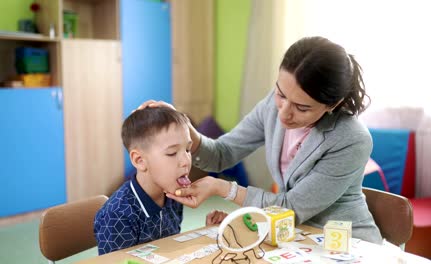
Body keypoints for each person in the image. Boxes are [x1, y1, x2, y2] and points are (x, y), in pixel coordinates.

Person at [139, 36, 382, 244]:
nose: (284, 112)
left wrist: (223, 188)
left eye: (302, 107)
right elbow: (223, 153)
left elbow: (291, 208)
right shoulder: (272, 106)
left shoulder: (351, 139)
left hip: (343, 245)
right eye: (280, 93)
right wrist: (187, 131)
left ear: (333, 104)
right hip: (291, 238)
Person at [94, 107, 227, 255]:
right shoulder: (117, 216)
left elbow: (169, 249)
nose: (185, 161)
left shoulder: (173, 194)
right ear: (140, 160)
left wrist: (207, 232)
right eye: (172, 153)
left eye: (188, 150)